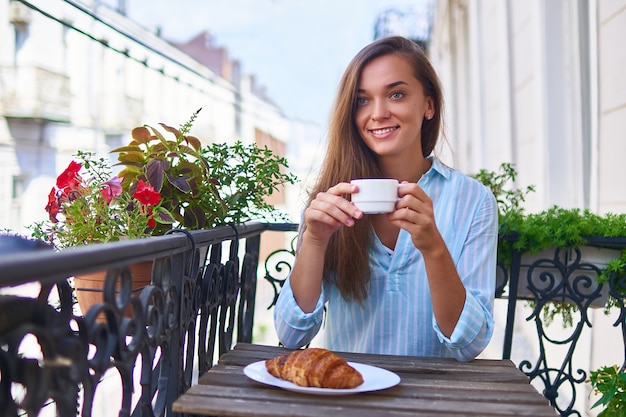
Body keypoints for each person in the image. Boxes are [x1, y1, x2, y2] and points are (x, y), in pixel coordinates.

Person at [274, 36, 498, 361]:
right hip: (350, 395)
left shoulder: (473, 201)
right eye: (363, 100)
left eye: (396, 94)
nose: (378, 113)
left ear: (429, 105)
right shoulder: (331, 198)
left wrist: (433, 248)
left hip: (435, 403)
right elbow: (291, 335)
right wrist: (316, 241)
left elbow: (468, 345)